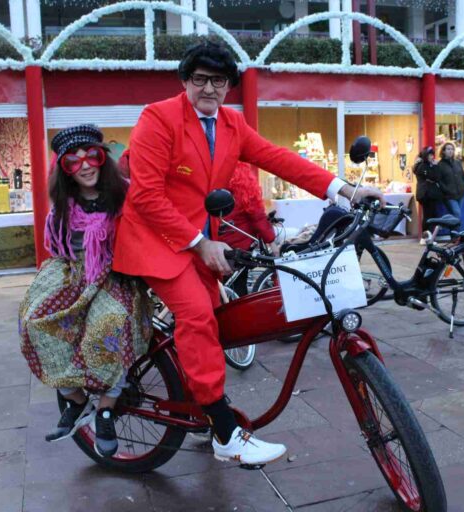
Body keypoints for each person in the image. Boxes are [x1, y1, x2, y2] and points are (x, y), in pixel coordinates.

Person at [111, 42, 384, 466]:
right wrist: (199, 243)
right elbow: (145, 196)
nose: (208, 88)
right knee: (198, 314)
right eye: (199, 79)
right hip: (155, 241)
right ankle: (224, 432)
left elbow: (279, 159)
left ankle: (200, 399)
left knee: (223, 322)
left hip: (200, 241)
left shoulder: (231, 124)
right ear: (184, 82)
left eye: (218, 80)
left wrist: (344, 190)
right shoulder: (158, 118)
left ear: (229, 86)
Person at [19, 125, 154, 456]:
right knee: (34, 324)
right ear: (64, 170)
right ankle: (77, 402)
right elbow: (57, 248)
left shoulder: (126, 194)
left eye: (91, 156)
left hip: (117, 276)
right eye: (73, 162)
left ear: (102, 158)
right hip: (75, 275)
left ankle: (106, 408)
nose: (85, 166)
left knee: (110, 325)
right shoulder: (62, 207)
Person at [215, 162, 276, 296]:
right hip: (240, 243)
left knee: (224, 282)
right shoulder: (245, 186)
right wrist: (272, 242)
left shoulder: (217, 183)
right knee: (238, 285)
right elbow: (258, 218)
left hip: (220, 238)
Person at [413, 146, 444, 232]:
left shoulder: (429, 165)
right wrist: (435, 167)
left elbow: (437, 177)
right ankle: (425, 236)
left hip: (431, 194)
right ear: (425, 156)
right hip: (425, 194)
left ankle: (430, 236)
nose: (432, 157)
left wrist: (434, 167)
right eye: (430, 155)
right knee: (428, 215)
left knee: (433, 214)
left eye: (432, 155)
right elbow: (433, 177)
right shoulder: (421, 166)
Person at [437, 142, 464, 219]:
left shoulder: (457, 163)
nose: (450, 151)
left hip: (460, 194)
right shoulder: (440, 165)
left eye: (452, 149)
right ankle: (456, 231)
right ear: (443, 151)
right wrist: (447, 190)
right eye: (448, 149)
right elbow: (439, 181)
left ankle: (453, 231)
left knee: (455, 216)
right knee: (457, 214)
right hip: (449, 196)